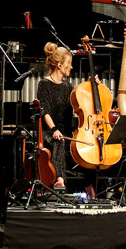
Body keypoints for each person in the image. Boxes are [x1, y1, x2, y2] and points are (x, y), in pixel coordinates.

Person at [36, 42, 74, 188]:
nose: (71, 67)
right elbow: (44, 111)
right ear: (59, 65)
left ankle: (91, 191)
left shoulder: (68, 86)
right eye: (68, 64)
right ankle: (60, 179)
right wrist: (54, 130)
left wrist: (93, 86)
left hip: (64, 132)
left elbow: (80, 100)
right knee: (59, 141)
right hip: (47, 131)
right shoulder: (44, 84)